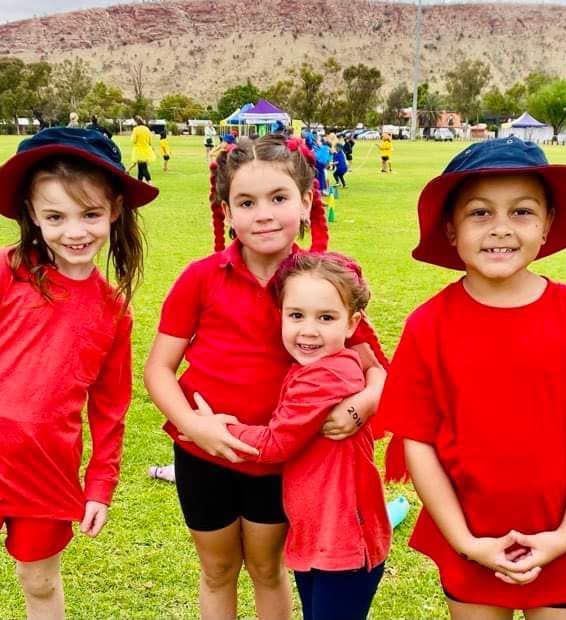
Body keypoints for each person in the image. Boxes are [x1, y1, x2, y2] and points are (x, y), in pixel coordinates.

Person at [378, 137, 566, 618]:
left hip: (564, 545)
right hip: (471, 544)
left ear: (547, 225)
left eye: (522, 212)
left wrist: (565, 536)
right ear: (451, 229)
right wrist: (463, 541)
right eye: (479, 213)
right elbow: (416, 442)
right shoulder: (429, 325)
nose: (500, 228)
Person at [0, 127, 158, 619]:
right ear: (32, 214)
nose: (75, 231)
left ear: (114, 209)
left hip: (49, 475)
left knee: (41, 585)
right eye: (55, 216)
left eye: (90, 214)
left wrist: (100, 485)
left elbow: (110, 409)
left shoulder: (114, 311)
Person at [144, 134, 387, 620]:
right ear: (227, 210)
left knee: (267, 568)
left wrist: (360, 407)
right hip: (202, 453)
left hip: (282, 459)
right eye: (246, 202)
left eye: (278, 199)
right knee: (216, 571)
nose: (264, 215)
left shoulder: (323, 280)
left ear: (305, 201)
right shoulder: (201, 277)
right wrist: (196, 427)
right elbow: (158, 369)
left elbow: (376, 368)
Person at [213, 252, 391, 620]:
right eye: (296, 316)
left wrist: (217, 428)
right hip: (321, 538)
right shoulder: (323, 367)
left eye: (325, 318)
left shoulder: (325, 376)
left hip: (342, 545)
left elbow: (275, 444)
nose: (308, 330)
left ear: (351, 323)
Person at [129, 115, 155, 183]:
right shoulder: (147, 129)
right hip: (146, 150)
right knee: (140, 168)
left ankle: (150, 182)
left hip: (139, 151)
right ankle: (139, 182)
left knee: (143, 168)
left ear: (137, 122)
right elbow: (150, 141)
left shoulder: (136, 129)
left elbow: (133, 140)